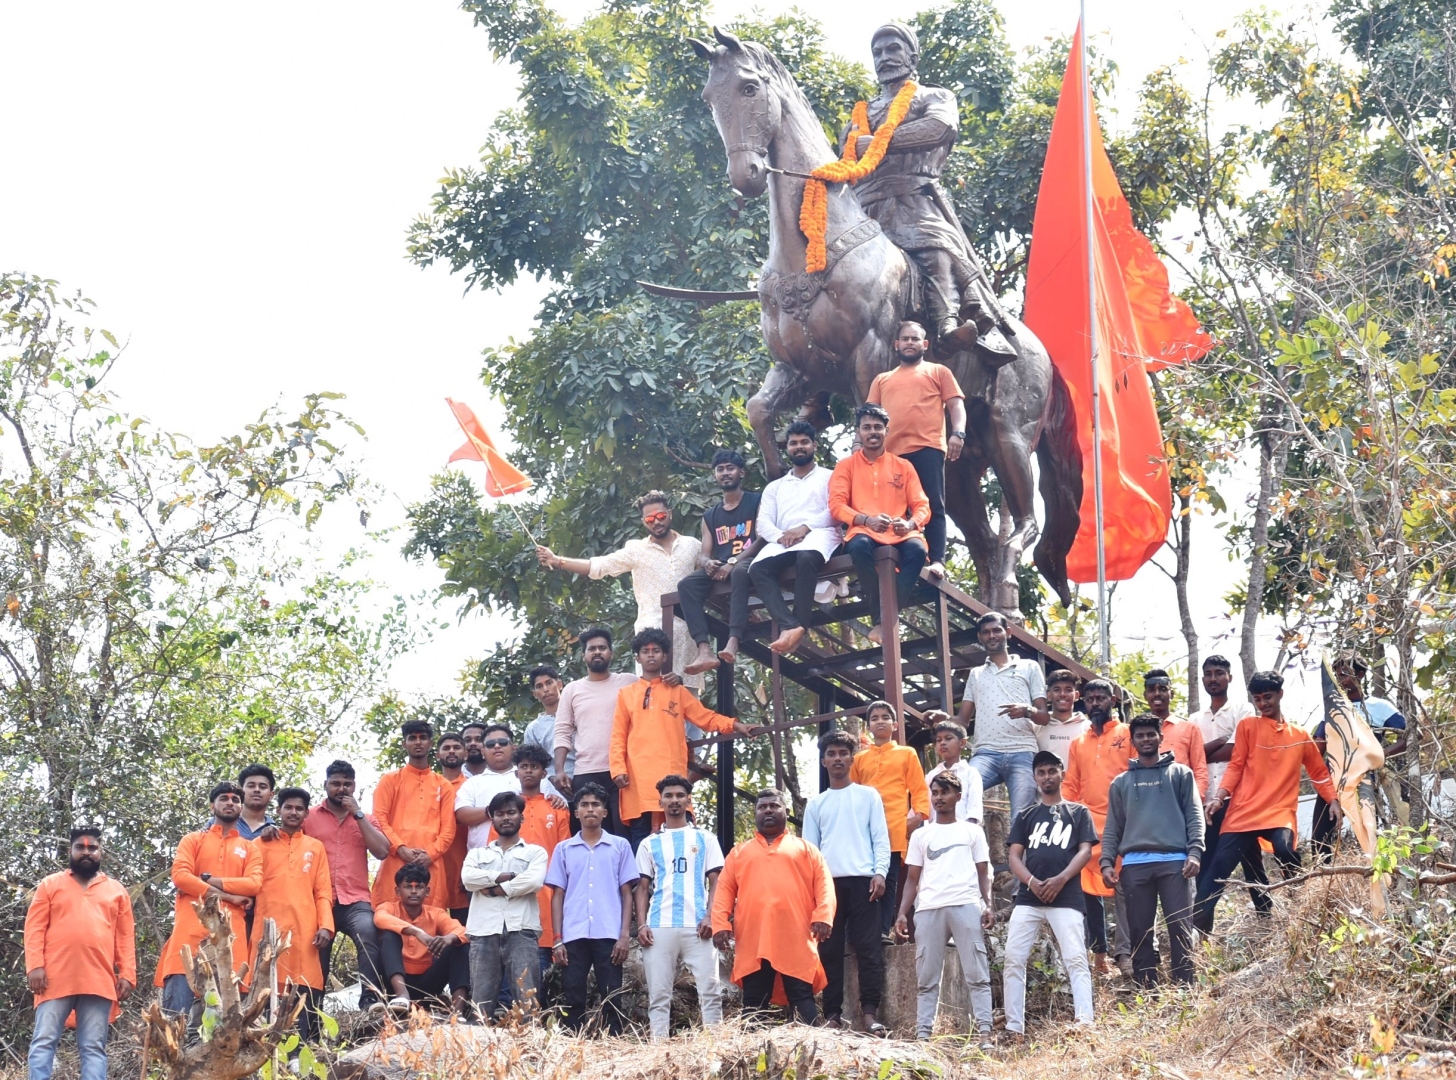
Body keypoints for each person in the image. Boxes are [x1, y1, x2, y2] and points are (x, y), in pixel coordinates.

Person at [846, 22, 1017, 362]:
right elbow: (845, 161)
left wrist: (881, 142)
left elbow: (941, 126)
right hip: (863, 209)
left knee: (935, 249)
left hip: (913, 201)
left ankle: (948, 323)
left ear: (913, 55)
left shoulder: (933, 96)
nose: (884, 58)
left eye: (893, 49)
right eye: (877, 52)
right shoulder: (860, 114)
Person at [1196, 671, 1342, 932]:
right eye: (1258, 699)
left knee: (1285, 849)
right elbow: (1236, 765)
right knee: (1217, 870)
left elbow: (1319, 773)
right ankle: (1195, 931)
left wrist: (1332, 800)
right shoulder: (1248, 727)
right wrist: (1219, 797)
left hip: (1279, 813)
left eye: (1268, 697)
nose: (1263, 703)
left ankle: (1302, 904)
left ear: (1280, 695)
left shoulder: (1299, 735)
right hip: (1243, 813)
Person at [537, 491, 707, 690]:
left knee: (689, 701)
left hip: (687, 636)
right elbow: (599, 566)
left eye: (660, 516)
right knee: (652, 699)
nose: (656, 522)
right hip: (651, 638)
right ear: (643, 522)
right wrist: (558, 561)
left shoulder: (693, 545)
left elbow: (710, 579)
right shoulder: (636, 549)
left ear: (669, 514)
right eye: (650, 519)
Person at [610, 627, 756, 849]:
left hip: (671, 778)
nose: (651, 655)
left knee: (680, 841)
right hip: (637, 781)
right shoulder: (626, 694)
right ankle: (644, 885)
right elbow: (618, 735)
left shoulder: (677, 691)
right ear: (637, 657)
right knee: (641, 842)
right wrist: (618, 769)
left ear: (664, 656)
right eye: (645, 651)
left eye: (656, 650)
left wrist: (735, 725)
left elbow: (706, 718)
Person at [711, 789, 834, 1025]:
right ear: (755, 813)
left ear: (786, 812)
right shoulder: (739, 852)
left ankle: (816, 1050)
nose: (768, 810)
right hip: (753, 937)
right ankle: (749, 1055)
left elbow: (825, 886)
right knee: (754, 1000)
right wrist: (719, 924)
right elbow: (724, 890)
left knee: (801, 995)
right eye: (762, 807)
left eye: (774, 806)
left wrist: (824, 916)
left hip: (795, 935)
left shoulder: (806, 849)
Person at [1100, 714, 1204, 986]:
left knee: (1180, 927)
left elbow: (1195, 815)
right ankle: (1147, 989)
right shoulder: (1120, 783)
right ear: (1132, 741)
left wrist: (1195, 852)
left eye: (1150, 734)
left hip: (1176, 863)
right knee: (1140, 931)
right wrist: (1107, 862)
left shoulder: (1181, 774)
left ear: (1160, 737)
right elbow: (1113, 826)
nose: (1145, 739)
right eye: (1140, 735)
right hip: (1134, 866)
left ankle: (1185, 988)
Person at [24, 828, 135, 1080]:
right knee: (44, 1042)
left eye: (92, 848)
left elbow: (125, 937)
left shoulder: (116, 890)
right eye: (80, 847)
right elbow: (34, 928)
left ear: (100, 852)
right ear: (70, 851)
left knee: (93, 1047)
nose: (86, 852)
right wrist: (35, 967)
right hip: (53, 978)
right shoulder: (50, 885)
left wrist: (127, 974)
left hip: (99, 981)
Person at [1003, 752, 1097, 1036]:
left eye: (1052, 771)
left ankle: (1085, 1022)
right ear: (1035, 778)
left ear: (1062, 774)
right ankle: (1013, 1027)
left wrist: (1061, 879)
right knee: (1013, 958)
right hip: (1029, 898)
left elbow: (1085, 850)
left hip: (1066, 896)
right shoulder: (1027, 815)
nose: (1047, 777)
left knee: (1076, 957)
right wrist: (1031, 882)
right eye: (1041, 772)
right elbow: (1014, 856)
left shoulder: (1078, 812)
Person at [894, 773, 994, 1044]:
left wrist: (988, 905)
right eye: (935, 792)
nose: (938, 797)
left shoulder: (972, 832)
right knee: (926, 978)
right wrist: (903, 913)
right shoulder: (921, 835)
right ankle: (923, 1036)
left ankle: (985, 1033)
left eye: (945, 792)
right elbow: (912, 879)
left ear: (958, 797)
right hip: (928, 909)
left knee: (976, 973)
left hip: (965, 905)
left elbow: (983, 872)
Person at [802, 731, 891, 1033]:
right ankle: (832, 1015)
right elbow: (810, 852)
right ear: (824, 760)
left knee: (869, 949)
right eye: (832, 753)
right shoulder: (817, 804)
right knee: (829, 953)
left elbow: (881, 838)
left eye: (843, 752)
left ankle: (870, 1013)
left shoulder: (869, 796)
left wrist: (880, 872)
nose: (837, 758)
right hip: (828, 887)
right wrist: (814, 892)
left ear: (851, 758)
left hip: (865, 882)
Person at [865, 321, 968, 578]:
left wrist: (958, 433)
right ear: (896, 344)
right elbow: (868, 416)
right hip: (891, 454)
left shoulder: (938, 371)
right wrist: (859, 445)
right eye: (905, 339)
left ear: (924, 344)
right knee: (889, 507)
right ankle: (892, 562)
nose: (909, 342)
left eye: (915, 339)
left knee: (932, 504)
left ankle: (937, 560)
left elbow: (956, 406)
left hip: (927, 447)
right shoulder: (882, 379)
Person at [156, 783, 264, 1020]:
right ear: (212, 805)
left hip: (229, 941)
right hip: (189, 935)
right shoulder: (193, 840)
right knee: (176, 1021)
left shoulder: (250, 849)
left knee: (224, 1024)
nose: (230, 802)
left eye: (236, 799)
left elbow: (254, 884)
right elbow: (181, 877)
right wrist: (228, 896)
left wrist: (207, 881)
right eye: (224, 798)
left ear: (241, 807)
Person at [829, 404, 931, 645]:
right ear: (859, 432)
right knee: (859, 546)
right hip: (863, 530)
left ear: (887, 430)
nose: (872, 432)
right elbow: (836, 505)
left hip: (900, 533)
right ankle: (882, 619)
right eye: (866, 427)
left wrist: (909, 524)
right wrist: (865, 519)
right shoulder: (846, 466)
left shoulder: (903, 466)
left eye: (877, 427)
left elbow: (922, 505)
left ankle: (881, 621)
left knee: (918, 549)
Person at [634, 775, 726, 1040]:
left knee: (710, 990)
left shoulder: (705, 838)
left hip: (699, 926)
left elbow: (716, 880)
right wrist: (642, 924)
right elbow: (642, 887)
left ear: (688, 800)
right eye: (669, 795)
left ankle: (714, 1048)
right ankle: (659, 1051)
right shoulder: (649, 843)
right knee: (658, 994)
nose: (674, 800)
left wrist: (711, 916)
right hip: (659, 926)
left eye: (679, 795)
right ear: (660, 801)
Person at [546, 783, 638, 1034]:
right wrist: (557, 939)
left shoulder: (620, 846)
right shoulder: (563, 849)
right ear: (576, 812)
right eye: (584, 805)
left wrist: (624, 935)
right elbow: (557, 895)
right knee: (573, 992)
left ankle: (613, 1044)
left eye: (596, 804)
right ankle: (573, 1043)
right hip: (573, 933)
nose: (590, 809)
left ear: (605, 812)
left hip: (608, 933)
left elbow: (627, 893)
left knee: (612, 995)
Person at [302, 760, 392, 1009]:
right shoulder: (308, 818)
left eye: (347, 784)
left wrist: (358, 814)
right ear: (325, 785)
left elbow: (382, 851)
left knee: (368, 932)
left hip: (355, 901)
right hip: (317, 900)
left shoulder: (365, 819)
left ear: (354, 786)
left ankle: (370, 999)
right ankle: (312, 1012)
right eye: (335, 784)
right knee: (316, 954)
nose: (341, 789)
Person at [749, 421, 842, 657]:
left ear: (814, 446)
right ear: (787, 449)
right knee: (757, 569)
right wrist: (781, 537)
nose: (799, 447)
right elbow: (763, 522)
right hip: (783, 542)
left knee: (807, 557)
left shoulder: (831, 477)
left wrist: (805, 528)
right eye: (793, 443)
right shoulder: (775, 487)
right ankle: (790, 625)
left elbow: (836, 510)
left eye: (804, 442)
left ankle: (799, 623)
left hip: (819, 534)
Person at [250, 788, 333, 1042]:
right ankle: (266, 1048)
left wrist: (326, 925)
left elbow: (323, 890)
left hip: (305, 928)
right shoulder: (260, 843)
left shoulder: (315, 847)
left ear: (306, 813)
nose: (293, 812)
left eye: (299, 808)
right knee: (266, 985)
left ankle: (299, 1050)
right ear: (279, 811)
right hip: (268, 927)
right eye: (288, 807)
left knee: (305, 985)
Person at [1062, 678, 1130, 976]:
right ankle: (1100, 956)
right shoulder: (1078, 742)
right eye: (1089, 698)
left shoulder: (1127, 734)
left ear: (1113, 701)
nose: (1094, 703)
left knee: (1126, 891)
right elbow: (1072, 784)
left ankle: (1128, 955)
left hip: (1125, 824)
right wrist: (1062, 816)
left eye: (1100, 698)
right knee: (1088, 894)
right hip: (1088, 826)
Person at [1312, 654, 1410, 856]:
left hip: (1368, 777)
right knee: (1320, 836)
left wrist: (1381, 754)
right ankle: (1326, 876)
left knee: (1371, 829)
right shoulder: (1332, 709)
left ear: (1360, 675)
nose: (1340, 681)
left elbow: (1410, 737)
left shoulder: (1379, 707)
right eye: (1336, 676)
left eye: (1344, 675)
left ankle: (1382, 876)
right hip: (1336, 778)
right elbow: (1317, 747)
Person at [848, 700, 931, 939]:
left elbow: (919, 790)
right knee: (863, 881)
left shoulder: (906, 753)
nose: (880, 721)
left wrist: (917, 817)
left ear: (894, 725)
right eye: (875, 718)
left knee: (890, 880)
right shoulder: (860, 759)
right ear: (868, 726)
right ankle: (860, 933)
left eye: (885, 717)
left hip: (894, 828)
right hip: (864, 832)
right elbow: (851, 793)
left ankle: (883, 931)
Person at [958, 611, 1049, 826]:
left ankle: (1021, 861)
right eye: (986, 632)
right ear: (980, 637)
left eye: (997, 630)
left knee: (1023, 817)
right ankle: (973, 857)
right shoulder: (976, 673)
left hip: (1023, 751)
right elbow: (962, 720)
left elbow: (1044, 717)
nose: (992, 635)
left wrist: (1027, 711)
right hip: (986, 753)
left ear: (1008, 633)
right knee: (960, 793)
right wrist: (942, 719)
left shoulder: (1029, 667)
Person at [462, 791, 548, 1020]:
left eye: (511, 812)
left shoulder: (535, 852)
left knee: (527, 1002)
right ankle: (479, 1052)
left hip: (521, 930)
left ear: (522, 817)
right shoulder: (477, 853)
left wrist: (494, 889)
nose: (506, 817)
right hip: (483, 931)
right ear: (492, 818)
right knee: (481, 1005)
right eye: (500, 813)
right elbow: (468, 879)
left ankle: (531, 1050)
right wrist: (506, 876)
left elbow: (533, 881)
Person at [678, 450, 763, 673]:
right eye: (720, 469)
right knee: (686, 585)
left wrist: (733, 562)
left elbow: (763, 538)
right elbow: (705, 552)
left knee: (738, 572)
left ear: (741, 472)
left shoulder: (756, 501)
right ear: (715, 475)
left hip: (750, 561)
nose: (725, 473)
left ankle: (733, 641)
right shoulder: (710, 516)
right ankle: (704, 651)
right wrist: (707, 563)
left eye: (730, 468)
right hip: (722, 565)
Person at [554, 627, 645, 834]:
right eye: (591, 648)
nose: (597, 652)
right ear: (584, 655)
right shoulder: (572, 690)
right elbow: (562, 731)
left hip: (624, 772)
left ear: (611, 653)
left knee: (624, 833)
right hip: (586, 772)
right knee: (593, 836)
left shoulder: (629, 682)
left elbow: (655, 694)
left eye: (602, 648)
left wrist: (677, 680)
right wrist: (559, 770)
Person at [494, 744, 572, 982]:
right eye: (523, 766)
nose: (528, 771)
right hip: (509, 893)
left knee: (540, 957)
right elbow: (494, 852)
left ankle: (535, 1013)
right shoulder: (505, 809)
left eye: (534, 767)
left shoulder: (556, 808)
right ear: (516, 771)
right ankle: (506, 1011)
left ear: (543, 773)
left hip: (545, 895)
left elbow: (563, 855)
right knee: (507, 953)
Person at [1190, 655, 1261, 908]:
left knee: (1251, 861)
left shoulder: (1244, 710)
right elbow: (1189, 758)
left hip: (1237, 800)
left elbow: (1237, 751)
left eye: (1219, 673)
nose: (1213, 678)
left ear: (1229, 677)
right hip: (1205, 801)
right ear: (1202, 679)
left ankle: (1266, 916)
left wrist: (1203, 751)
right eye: (1208, 674)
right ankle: (1203, 926)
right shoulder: (1194, 719)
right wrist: (1220, 741)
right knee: (1206, 862)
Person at [369, 720, 458, 911]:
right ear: (404, 744)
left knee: (431, 922)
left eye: (423, 738)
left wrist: (430, 854)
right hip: (395, 860)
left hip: (431, 864)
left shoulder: (444, 785)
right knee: (389, 921)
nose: (418, 742)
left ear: (430, 744)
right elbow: (379, 820)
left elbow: (448, 830)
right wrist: (400, 848)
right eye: (412, 738)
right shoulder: (390, 780)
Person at [457, 724, 567, 858]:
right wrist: (494, 811)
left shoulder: (533, 777)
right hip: (484, 861)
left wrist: (558, 800)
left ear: (513, 748)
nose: (497, 746)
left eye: (503, 742)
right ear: (483, 752)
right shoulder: (472, 783)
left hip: (538, 858)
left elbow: (557, 808)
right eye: (490, 744)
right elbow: (461, 815)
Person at [373, 865, 470, 1014]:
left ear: (427, 891)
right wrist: (417, 932)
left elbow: (462, 931)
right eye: (407, 887)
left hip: (427, 983)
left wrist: (449, 939)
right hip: (394, 984)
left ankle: (457, 1013)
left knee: (459, 944)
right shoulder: (389, 908)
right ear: (398, 891)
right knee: (389, 935)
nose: (413, 891)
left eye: (419, 887)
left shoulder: (436, 913)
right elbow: (379, 918)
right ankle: (402, 995)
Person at [1142, 669, 1210, 801]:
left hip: (1180, 803)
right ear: (1145, 695)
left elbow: (1200, 770)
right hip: (1145, 804)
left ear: (1171, 694)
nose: (1157, 694)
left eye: (1162, 689)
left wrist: (1194, 803)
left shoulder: (1189, 729)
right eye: (1151, 689)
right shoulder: (1136, 732)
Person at [435, 732, 473, 921]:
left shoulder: (472, 787)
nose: (451, 751)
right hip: (433, 867)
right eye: (446, 748)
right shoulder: (428, 785)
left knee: (463, 935)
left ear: (465, 754)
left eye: (456, 748)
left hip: (462, 868)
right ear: (437, 755)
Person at [923, 719, 984, 823]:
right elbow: (927, 806)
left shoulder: (970, 773)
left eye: (948, 738)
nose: (942, 743)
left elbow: (974, 807)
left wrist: (969, 832)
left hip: (963, 831)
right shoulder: (931, 775)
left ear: (962, 742)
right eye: (938, 740)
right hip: (936, 832)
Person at [522, 667, 569, 775]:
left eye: (549, 683)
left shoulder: (577, 715)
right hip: (551, 785)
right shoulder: (533, 729)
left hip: (585, 778)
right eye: (539, 686)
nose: (545, 689)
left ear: (559, 685)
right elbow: (533, 764)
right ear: (535, 694)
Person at [1037, 669, 1089, 767]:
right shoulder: (1037, 726)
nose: (1062, 694)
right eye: (1057, 690)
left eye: (1068, 690)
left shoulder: (1088, 728)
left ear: (1077, 695)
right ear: (1048, 695)